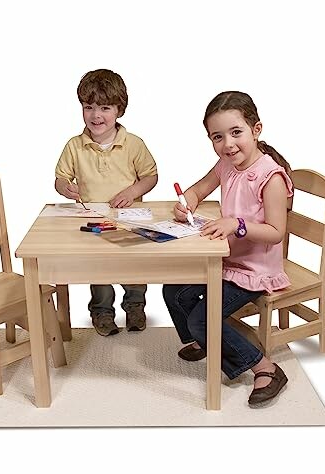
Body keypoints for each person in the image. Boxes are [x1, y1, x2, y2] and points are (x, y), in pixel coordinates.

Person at [163, 91, 292, 406]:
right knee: (173, 291)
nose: (228, 144)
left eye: (236, 133)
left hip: (255, 271)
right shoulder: (225, 164)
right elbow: (199, 188)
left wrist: (237, 224)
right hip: (226, 260)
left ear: (256, 129)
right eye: (217, 137)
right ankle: (209, 342)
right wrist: (188, 201)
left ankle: (266, 367)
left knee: (201, 319)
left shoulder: (270, 176)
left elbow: (276, 232)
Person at [55, 69, 158, 336]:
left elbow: (151, 176)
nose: (96, 115)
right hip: (92, 220)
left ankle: (135, 306)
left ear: (119, 110)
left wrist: (133, 191)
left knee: (134, 266)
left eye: (104, 107)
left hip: (129, 220)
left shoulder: (134, 144)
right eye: (88, 107)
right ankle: (101, 312)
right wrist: (65, 187)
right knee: (98, 269)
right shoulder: (74, 146)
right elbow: (60, 179)